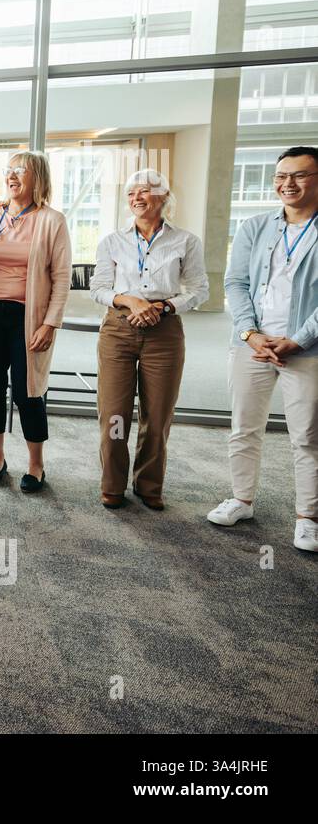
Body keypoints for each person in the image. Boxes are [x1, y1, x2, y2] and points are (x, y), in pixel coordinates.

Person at [210, 146, 318, 553]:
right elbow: (235, 283)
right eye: (281, 176)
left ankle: (308, 517)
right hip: (252, 345)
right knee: (244, 427)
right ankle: (241, 499)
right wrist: (249, 333)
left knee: (307, 434)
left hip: (306, 348)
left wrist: (299, 339)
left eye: (300, 175)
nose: (288, 183)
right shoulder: (256, 226)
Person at [90, 170, 209, 510]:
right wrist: (131, 301)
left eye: (143, 191)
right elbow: (99, 288)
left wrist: (164, 306)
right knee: (114, 414)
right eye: (130, 194)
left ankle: (148, 483)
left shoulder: (185, 241)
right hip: (118, 329)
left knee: (156, 416)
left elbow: (200, 290)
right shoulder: (112, 241)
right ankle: (112, 483)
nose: (136, 198)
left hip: (164, 331)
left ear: (163, 196)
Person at [0, 150, 72, 493]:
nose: (11, 177)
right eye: (8, 171)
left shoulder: (51, 220)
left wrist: (50, 323)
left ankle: (36, 465)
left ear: (37, 177)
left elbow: (62, 277)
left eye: (20, 172)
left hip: (29, 318)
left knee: (29, 392)